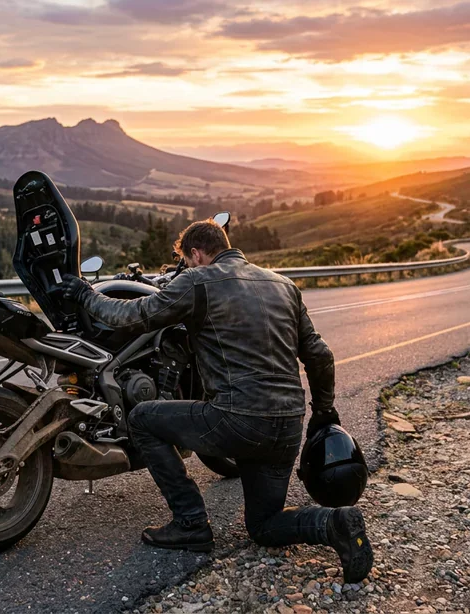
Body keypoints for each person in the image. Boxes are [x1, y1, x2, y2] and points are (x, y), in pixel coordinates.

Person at [59, 219, 373, 583]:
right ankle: (335, 523)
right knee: (264, 526)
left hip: (235, 419)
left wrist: (85, 295)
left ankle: (191, 522)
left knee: (143, 419)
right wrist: (323, 411)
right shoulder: (284, 284)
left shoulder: (197, 280)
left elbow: (135, 315)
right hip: (286, 425)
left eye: (187, 261)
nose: (187, 268)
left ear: (196, 254)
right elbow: (320, 355)